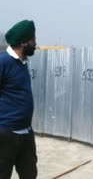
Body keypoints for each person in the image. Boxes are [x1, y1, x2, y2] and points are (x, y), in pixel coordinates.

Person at [0, 20, 38, 179]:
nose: (36, 44)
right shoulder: (3, 62)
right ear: (23, 43)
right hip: (5, 134)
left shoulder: (22, 63)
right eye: (33, 40)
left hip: (26, 132)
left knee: (29, 174)